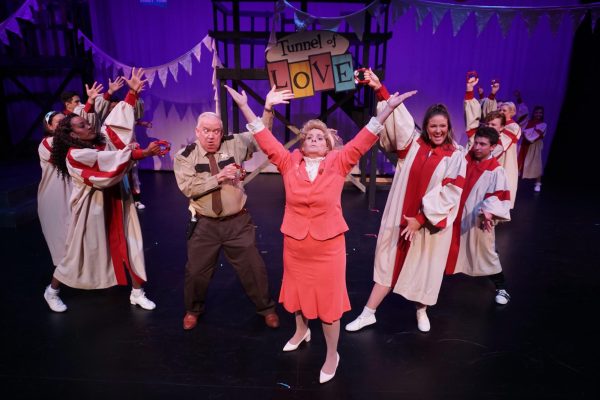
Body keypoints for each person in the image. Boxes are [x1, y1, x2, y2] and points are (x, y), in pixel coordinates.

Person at [225, 83, 412, 384]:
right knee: (297, 296)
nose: (313, 139)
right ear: (302, 144)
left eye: (320, 137)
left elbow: (364, 140)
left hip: (328, 247)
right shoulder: (288, 162)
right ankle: (301, 331)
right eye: (309, 136)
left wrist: (387, 107)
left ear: (328, 145)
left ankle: (332, 354)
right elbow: (265, 139)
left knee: (328, 306)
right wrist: (248, 107)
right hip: (296, 245)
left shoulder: (338, 162)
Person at [345, 70, 466, 334]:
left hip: (428, 224)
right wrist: (379, 89)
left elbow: (450, 191)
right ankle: (368, 313)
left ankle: (421, 310)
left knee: (424, 268)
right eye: (433, 126)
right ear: (427, 125)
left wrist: (421, 219)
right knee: (389, 263)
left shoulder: (456, 155)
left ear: (449, 127)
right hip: (401, 217)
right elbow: (399, 121)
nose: (437, 131)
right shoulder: (412, 145)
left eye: (442, 126)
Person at [173, 88, 291, 332]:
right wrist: (219, 177)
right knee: (196, 272)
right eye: (206, 131)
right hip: (204, 225)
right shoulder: (185, 156)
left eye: (216, 131)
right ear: (197, 131)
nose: (211, 136)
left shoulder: (234, 143)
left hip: (237, 222)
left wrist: (267, 109)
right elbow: (188, 188)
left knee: (253, 268)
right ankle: (193, 310)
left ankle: (266, 309)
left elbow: (262, 138)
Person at [43, 68, 161, 312]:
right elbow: (106, 166)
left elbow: (115, 127)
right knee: (76, 254)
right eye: (82, 125)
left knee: (132, 245)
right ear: (72, 134)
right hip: (93, 209)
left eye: (87, 122)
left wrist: (132, 92)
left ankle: (137, 292)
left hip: (119, 201)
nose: (89, 125)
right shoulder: (75, 155)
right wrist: (142, 153)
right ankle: (52, 290)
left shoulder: (99, 138)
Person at [444, 126, 512, 305]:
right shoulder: (464, 159)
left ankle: (502, 288)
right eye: (476, 143)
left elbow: (498, 195)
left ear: (493, 147)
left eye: (483, 144)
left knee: (485, 253)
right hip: (454, 215)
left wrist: (488, 212)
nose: (477, 147)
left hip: (477, 218)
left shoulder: (496, 171)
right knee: (443, 248)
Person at [38, 111, 69, 279]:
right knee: (62, 247)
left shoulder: (71, 141)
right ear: (49, 126)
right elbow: (68, 156)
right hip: (55, 199)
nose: (63, 124)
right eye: (58, 122)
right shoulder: (48, 143)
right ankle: (53, 290)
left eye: (65, 121)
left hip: (70, 195)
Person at [481, 81, 520, 209]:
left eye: (504, 110)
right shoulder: (496, 123)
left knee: (503, 184)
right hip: (494, 158)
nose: (501, 112)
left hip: (505, 160)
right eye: (499, 109)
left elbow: (501, 145)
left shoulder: (514, 127)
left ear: (512, 112)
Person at [518, 106, 546, 192]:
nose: (538, 114)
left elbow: (534, 136)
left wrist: (527, 134)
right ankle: (515, 181)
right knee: (519, 162)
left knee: (536, 164)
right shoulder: (528, 122)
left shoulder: (543, 124)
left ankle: (538, 183)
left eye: (540, 113)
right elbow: (521, 130)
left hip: (534, 146)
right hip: (524, 144)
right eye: (536, 112)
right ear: (534, 113)